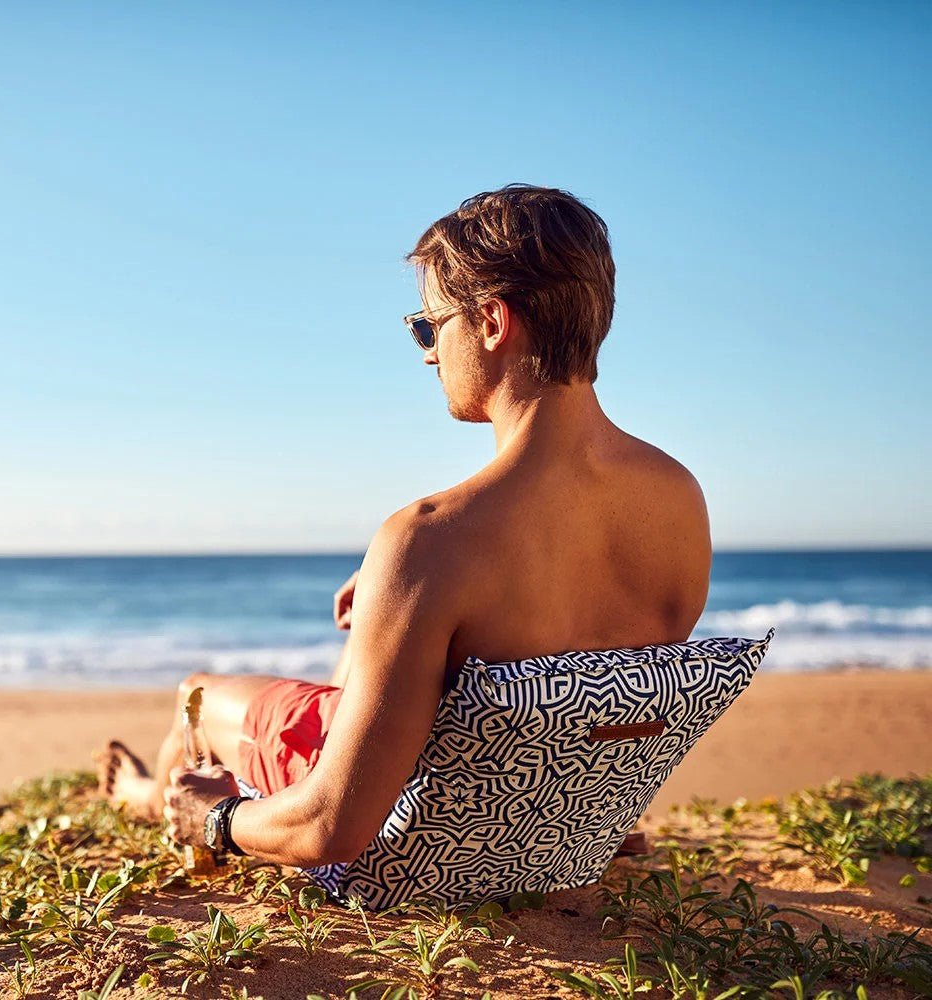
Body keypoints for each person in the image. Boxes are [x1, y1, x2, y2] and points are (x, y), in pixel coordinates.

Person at [96, 184, 711, 867]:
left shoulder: (429, 539)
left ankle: (153, 797)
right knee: (366, 644)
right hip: (545, 830)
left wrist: (218, 819)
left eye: (429, 325)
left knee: (197, 693)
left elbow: (330, 829)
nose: (426, 354)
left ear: (492, 322)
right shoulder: (678, 501)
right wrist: (400, 592)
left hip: (410, 838)